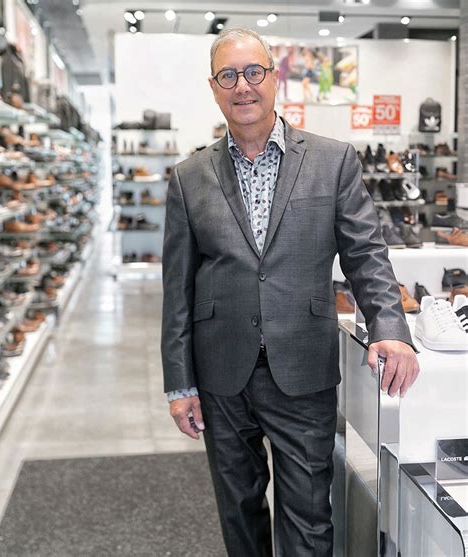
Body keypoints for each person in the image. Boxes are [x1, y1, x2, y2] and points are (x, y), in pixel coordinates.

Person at [161, 28, 419, 556]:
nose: (243, 85)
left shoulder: (332, 160)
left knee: (309, 518)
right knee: (239, 514)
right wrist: (178, 383)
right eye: (228, 75)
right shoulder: (189, 178)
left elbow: (366, 254)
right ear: (213, 88)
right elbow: (178, 288)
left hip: (303, 368)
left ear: (274, 78)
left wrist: (391, 328)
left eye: (253, 72)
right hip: (221, 373)